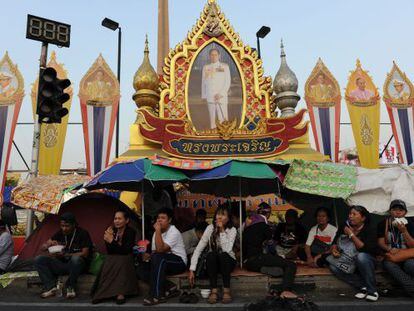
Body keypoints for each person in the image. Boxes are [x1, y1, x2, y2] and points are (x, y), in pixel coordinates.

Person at [243, 202, 298, 299]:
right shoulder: (264, 226)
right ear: (267, 214)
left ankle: (266, 269)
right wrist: (280, 257)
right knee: (291, 265)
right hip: (259, 257)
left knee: (279, 268)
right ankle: (286, 290)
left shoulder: (247, 226)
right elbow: (271, 246)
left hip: (248, 263)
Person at [34, 212, 93, 299]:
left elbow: (85, 253)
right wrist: (48, 245)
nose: (64, 228)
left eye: (67, 226)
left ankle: (70, 287)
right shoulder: (60, 233)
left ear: (74, 225)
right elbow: (42, 248)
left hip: (77, 267)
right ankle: (50, 287)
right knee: (39, 259)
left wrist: (66, 254)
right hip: (62, 265)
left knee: (76, 259)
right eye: (62, 226)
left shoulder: (82, 233)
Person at [328, 205, 379, 302]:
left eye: (354, 214)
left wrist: (351, 234)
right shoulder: (345, 226)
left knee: (361, 256)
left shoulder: (369, 229)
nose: (350, 216)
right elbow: (334, 241)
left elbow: (364, 249)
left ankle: (372, 290)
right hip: (348, 258)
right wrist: (334, 249)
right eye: (350, 214)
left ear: (363, 218)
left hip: (366, 259)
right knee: (333, 266)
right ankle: (362, 286)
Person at [189, 204, 237, 304]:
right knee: (211, 255)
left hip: (228, 261)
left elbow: (227, 249)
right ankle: (214, 290)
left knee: (223, 255)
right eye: (218, 214)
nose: (219, 217)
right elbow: (198, 249)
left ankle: (226, 290)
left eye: (223, 215)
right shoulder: (210, 228)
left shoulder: (232, 230)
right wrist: (192, 269)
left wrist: (222, 230)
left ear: (228, 219)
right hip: (214, 263)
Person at [140, 208, 187, 306]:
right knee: (141, 268)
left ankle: (156, 295)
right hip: (162, 261)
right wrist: (148, 256)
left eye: (163, 218)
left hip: (178, 262)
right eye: (158, 218)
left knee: (159, 258)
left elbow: (160, 249)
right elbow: (155, 250)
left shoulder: (174, 231)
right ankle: (170, 287)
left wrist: (157, 230)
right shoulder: (156, 233)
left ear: (169, 220)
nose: (159, 220)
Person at [91, 210, 138, 304]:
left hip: (126, 258)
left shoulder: (130, 232)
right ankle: (102, 293)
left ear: (127, 220)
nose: (116, 221)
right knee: (110, 259)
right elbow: (111, 251)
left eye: (120, 218)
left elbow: (126, 250)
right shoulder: (111, 231)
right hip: (113, 258)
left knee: (121, 260)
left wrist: (111, 241)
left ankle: (121, 293)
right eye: (115, 218)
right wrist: (108, 240)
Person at [377, 200, 414, 297]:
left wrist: (404, 231)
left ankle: (409, 289)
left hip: (406, 254)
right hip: (391, 255)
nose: (397, 212)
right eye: (394, 209)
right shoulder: (383, 223)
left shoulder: (410, 223)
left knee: (410, 265)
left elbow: (412, 245)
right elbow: (380, 242)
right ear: (390, 211)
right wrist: (389, 249)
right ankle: (411, 288)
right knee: (389, 265)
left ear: (405, 213)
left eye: (401, 210)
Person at [201, 48, 231, 128]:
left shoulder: (225, 67)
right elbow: (203, 82)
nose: (214, 56)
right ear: (209, 56)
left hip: (221, 97)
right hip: (210, 96)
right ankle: (212, 137)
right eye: (212, 55)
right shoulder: (206, 67)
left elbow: (227, 82)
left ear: (219, 56)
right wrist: (204, 96)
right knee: (212, 120)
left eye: (215, 55)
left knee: (222, 120)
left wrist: (220, 94)